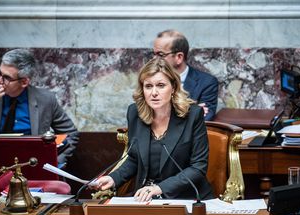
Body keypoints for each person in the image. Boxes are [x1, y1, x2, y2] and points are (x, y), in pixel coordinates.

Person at [90, 58, 214, 202]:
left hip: (185, 197)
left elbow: (198, 167)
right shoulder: (135, 113)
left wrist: (159, 188)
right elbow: (134, 159)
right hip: (145, 197)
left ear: (173, 87)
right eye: (148, 86)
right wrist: (113, 178)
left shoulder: (192, 115)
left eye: (161, 85)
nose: (154, 92)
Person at [0, 49, 79, 168]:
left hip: (33, 166)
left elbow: (70, 134)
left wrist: (54, 162)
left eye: (6, 78)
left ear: (24, 82)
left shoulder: (46, 99)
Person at [152, 29, 218, 121]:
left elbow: (205, 119)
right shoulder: (150, 79)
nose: (154, 59)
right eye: (154, 54)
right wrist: (190, 112)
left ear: (179, 57)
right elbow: (147, 114)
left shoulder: (207, 82)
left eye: (160, 54)